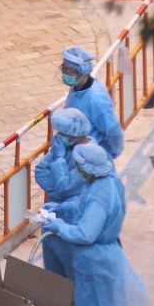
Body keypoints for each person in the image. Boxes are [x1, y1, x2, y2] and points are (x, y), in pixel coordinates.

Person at [41, 143, 145, 306]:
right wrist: (63, 208)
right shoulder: (107, 182)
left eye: (79, 166)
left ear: (89, 167)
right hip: (106, 256)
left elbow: (86, 233)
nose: (77, 170)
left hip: (94, 261)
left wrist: (59, 227)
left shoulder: (99, 194)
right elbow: (83, 205)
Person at [34, 108, 90, 276]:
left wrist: (58, 161)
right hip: (53, 222)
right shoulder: (64, 147)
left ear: (76, 134)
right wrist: (59, 188)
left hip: (74, 224)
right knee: (54, 277)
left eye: (63, 132)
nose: (58, 136)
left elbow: (65, 187)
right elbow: (40, 171)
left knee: (75, 276)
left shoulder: (89, 157)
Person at [59, 46, 124, 160]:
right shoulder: (77, 87)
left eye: (68, 70)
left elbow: (113, 131)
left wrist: (109, 154)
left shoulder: (96, 100)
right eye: (63, 68)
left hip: (91, 156)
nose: (64, 73)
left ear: (82, 72)